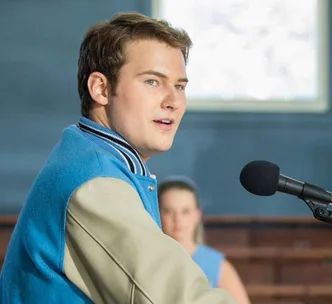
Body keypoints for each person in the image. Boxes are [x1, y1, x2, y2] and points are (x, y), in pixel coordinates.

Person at [0, 12, 236, 304]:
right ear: (100, 88)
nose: (173, 101)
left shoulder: (93, 159)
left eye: (179, 86)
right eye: (152, 81)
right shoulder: (94, 182)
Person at [158, 177, 251, 304]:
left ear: (197, 215)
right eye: (168, 211)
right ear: (157, 213)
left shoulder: (218, 266)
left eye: (185, 211)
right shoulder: (147, 261)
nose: (177, 219)